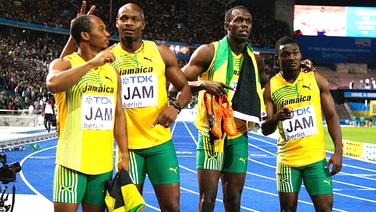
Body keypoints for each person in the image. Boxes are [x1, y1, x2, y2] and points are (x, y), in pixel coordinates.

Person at [60, 2, 192, 211]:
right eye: (123, 18)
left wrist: (175, 107)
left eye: (134, 19)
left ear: (143, 24)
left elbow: (185, 88)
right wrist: (75, 30)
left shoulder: (160, 52)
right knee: (127, 209)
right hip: (129, 149)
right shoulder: (106, 57)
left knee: (172, 207)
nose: (128, 23)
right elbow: (65, 65)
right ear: (117, 23)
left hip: (160, 144)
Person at [180, 6, 266, 212]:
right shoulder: (209, 52)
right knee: (207, 199)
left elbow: (268, 85)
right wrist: (202, 84)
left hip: (239, 134)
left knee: (234, 200)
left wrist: (303, 70)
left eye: (248, 21)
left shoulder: (256, 60)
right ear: (227, 25)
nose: (244, 24)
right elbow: (176, 84)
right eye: (238, 20)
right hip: (212, 135)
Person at [46, 14, 129, 212]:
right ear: (85, 35)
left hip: (102, 165)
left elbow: (118, 114)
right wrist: (92, 63)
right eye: (101, 29)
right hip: (71, 163)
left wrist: (124, 153)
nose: (108, 33)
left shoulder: (112, 72)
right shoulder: (65, 64)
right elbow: (52, 83)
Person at [261, 36, 343, 212]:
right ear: (277, 59)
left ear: (300, 55)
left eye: (295, 53)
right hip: (287, 162)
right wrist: (276, 117)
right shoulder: (270, 87)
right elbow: (265, 129)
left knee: (325, 209)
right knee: (287, 210)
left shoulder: (316, 78)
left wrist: (338, 152)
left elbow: (331, 116)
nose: (291, 57)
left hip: (316, 160)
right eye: (285, 54)